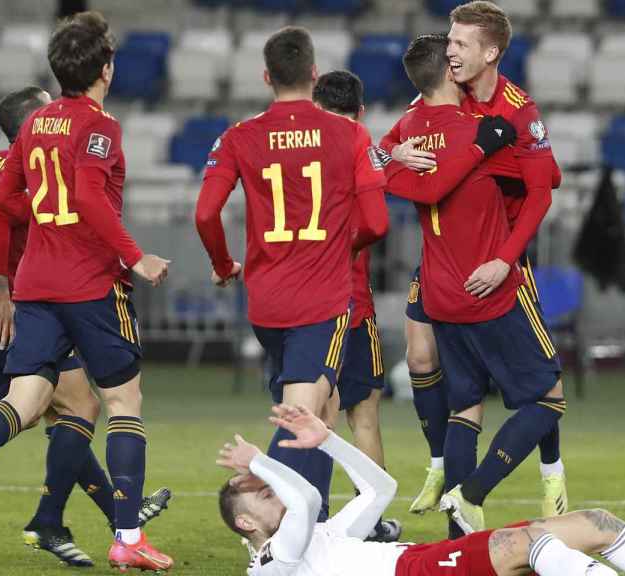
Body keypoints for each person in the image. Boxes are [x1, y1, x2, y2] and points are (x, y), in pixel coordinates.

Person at [0, 12, 173, 571]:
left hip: (36, 285)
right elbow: (86, 195)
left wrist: (7, 278)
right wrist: (136, 255)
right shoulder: (101, 126)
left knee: (25, 401)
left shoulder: (34, 127)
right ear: (106, 68)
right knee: (124, 402)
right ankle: (128, 539)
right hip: (91, 284)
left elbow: (5, 206)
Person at [216, 404, 625, 576]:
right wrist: (263, 461)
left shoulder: (316, 541)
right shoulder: (276, 562)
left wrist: (327, 441)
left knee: (592, 522)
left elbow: (380, 489)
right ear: (246, 524)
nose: (274, 494)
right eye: (262, 496)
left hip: (424, 562)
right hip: (416, 572)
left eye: (267, 487)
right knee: (527, 546)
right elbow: (308, 499)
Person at [382, 1, 566, 532]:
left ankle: (547, 475)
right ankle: (462, 500)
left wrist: (505, 257)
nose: (451, 51)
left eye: (460, 43)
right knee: (535, 391)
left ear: (491, 53)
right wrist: (396, 156)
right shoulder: (443, 103)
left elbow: (544, 185)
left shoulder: (517, 110)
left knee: (469, 399)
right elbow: (387, 150)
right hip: (463, 272)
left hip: (493, 260)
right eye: (450, 42)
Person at [195, 26, 390, 523]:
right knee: (302, 416)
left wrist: (222, 266)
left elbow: (205, 214)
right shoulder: (349, 134)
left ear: (266, 76)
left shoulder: (240, 136)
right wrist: (336, 247)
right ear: (314, 74)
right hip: (319, 301)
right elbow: (377, 222)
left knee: (321, 409)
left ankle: (317, 518)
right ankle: (268, 529)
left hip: (265, 302)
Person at [311, 69, 400, 543]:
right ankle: (370, 523)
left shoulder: (302, 149)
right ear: (361, 112)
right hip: (354, 305)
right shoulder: (362, 147)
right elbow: (377, 215)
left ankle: (313, 516)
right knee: (362, 418)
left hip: (305, 307)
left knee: (309, 414)